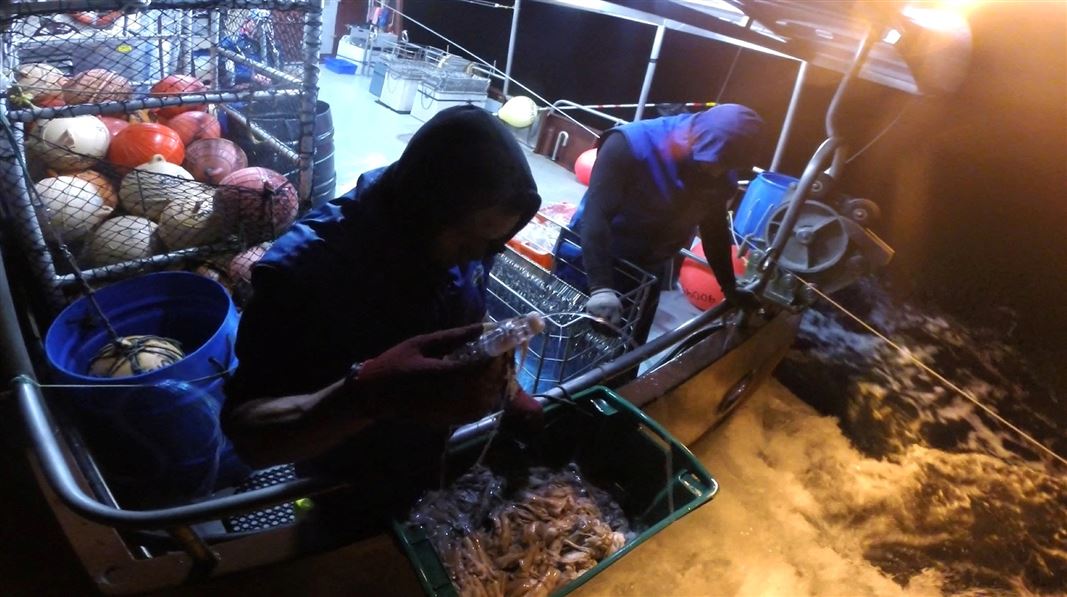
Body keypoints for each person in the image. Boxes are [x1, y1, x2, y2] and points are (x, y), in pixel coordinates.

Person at [221, 106, 542, 537]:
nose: (477, 255)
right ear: (424, 206)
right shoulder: (306, 269)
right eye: (469, 239)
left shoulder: (464, 239)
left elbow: (468, 311)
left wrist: (507, 386)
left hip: (426, 459)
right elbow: (249, 435)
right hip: (341, 478)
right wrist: (368, 393)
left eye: (492, 243)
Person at [558, 103, 764, 345]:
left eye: (726, 165)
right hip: (592, 256)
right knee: (565, 339)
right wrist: (600, 287)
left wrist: (729, 286)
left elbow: (714, 230)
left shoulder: (720, 173)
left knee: (626, 347)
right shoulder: (629, 144)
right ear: (698, 138)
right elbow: (596, 215)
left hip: (647, 270)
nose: (718, 172)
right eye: (713, 161)